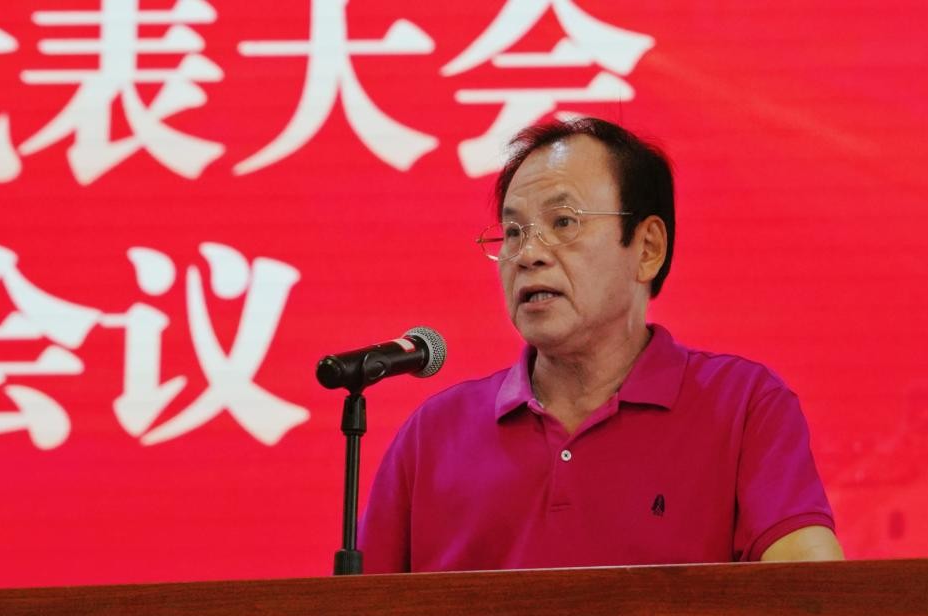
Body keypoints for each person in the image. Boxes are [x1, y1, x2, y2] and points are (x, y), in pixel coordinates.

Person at [360, 118, 842, 573]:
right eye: (513, 233)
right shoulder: (435, 434)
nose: (528, 255)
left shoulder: (742, 407)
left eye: (563, 223)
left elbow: (817, 596)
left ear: (648, 248)